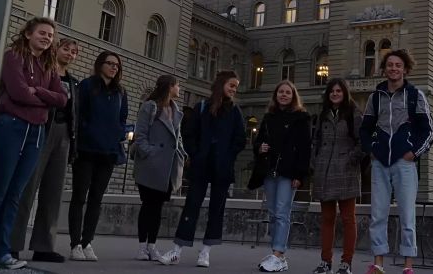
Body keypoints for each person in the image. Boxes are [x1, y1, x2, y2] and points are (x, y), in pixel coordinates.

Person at [0, 17, 68, 271]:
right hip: (11, 127)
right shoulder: (13, 56)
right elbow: (18, 92)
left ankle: (3, 251)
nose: (47, 38)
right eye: (42, 33)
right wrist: (41, 96)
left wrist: (39, 92)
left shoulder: (49, 65)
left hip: (36, 132)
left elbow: (62, 99)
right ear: (28, 34)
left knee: (16, 195)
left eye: (50, 35)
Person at [158, 70, 246, 267]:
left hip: (222, 167)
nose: (233, 89)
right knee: (192, 205)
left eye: (236, 87)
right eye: (231, 85)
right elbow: (189, 133)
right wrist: (197, 154)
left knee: (217, 209)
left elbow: (240, 138)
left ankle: (205, 251)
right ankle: (177, 250)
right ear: (221, 84)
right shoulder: (202, 107)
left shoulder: (235, 111)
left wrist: (228, 155)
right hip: (201, 165)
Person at [361, 50, 433, 274]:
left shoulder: (415, 96)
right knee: (378, 214)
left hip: (405, 163)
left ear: (405, 69)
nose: (394, 68)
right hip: (380, 163)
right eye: (390, 65)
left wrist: (414, 152)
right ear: (384, 69)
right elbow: (364, 129)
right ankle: (378, 264)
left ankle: (408, 266)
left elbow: (429, 130)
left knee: (407, 215)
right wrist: (372, 149)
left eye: (398, 65)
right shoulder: (375, 97)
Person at [10, 38, 80, 264]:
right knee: (27, 189)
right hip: (41, 128)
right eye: (66, 49)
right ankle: (11, 243)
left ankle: (43, 245)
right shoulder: (44, 71)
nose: (70, 54)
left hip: (63, 134)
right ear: (56, 49)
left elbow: (74, 112)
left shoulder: (74, 82)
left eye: (74, 52)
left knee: (53, 192)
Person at [68, 51, 128, 262]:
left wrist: (117, 134)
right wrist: (87, 131)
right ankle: (75, 243)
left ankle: (87, 242)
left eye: (117, 65)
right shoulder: (87, 85)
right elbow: (78, 112)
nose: (114, 68)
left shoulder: (120, 92)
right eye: (110, 63)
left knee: (97, 199)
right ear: (100, 64)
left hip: (108, 152)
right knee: (79, 197)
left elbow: (123, 118)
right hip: (86, 150)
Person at [253, 80, 311, 273]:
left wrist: (300, 175)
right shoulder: (269, 116)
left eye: (288, 92)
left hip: (288, 172)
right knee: (272, 211)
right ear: (276, 95)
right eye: (281, 92)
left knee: (282, 212)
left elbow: (305, 148)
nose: (284, 95)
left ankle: (278, 253)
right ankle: (279, 257)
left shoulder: (301, 117)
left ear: (293, 96)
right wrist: (259, 147)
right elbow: (260, 138)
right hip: (270, 170)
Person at [311, 78, 363, 274]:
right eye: (332, 91)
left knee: (348, 218)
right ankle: (325, 261)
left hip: (346, 172)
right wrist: (314, 161)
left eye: (338, 91)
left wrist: (351, 159)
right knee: (327, 218)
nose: (334, 94)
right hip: (324, 170)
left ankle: (346, 262)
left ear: (345, 93)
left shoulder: (353, 113)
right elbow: (315, 140)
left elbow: (362, 142)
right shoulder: (322, 114)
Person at [132, 74, 186, 262]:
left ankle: (152, 246)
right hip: (151, 165)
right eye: (178, 85)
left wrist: (182, 153)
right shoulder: (150, 106)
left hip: (168, 167)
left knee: (158, 208)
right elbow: (140, 135)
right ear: (170, 86)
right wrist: (151, 153)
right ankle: (141, 247)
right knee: (148, 206)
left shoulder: (176, 109)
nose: (180, 89)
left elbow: (177, 137)